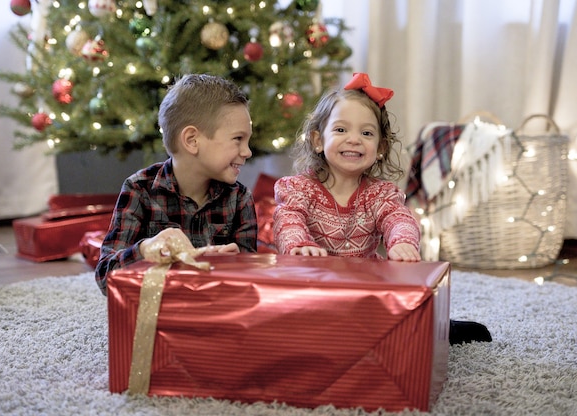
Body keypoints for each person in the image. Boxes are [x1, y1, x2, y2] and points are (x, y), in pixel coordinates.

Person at [273, 72, 491, 345]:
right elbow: (288, 218)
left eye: (366, 133)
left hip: (363, 289)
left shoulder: (380, 194)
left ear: (379, 147)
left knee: (398, 311)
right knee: (291, 321)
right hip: (313, 288)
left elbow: (398, 218)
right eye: (341, 130)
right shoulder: (297, 188)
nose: (354, 139)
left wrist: (402, 242)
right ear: (318, 140)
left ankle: (432, 326)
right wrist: (298, 245)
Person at [95, 74, 257, 295]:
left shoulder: (239, 198)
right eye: (238, 139)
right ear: (192, 140)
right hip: (160, 316)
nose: (247, 152)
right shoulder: (139, 190)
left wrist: (236, 262)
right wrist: (145, 249)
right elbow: (106, 277)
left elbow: (253, 281)